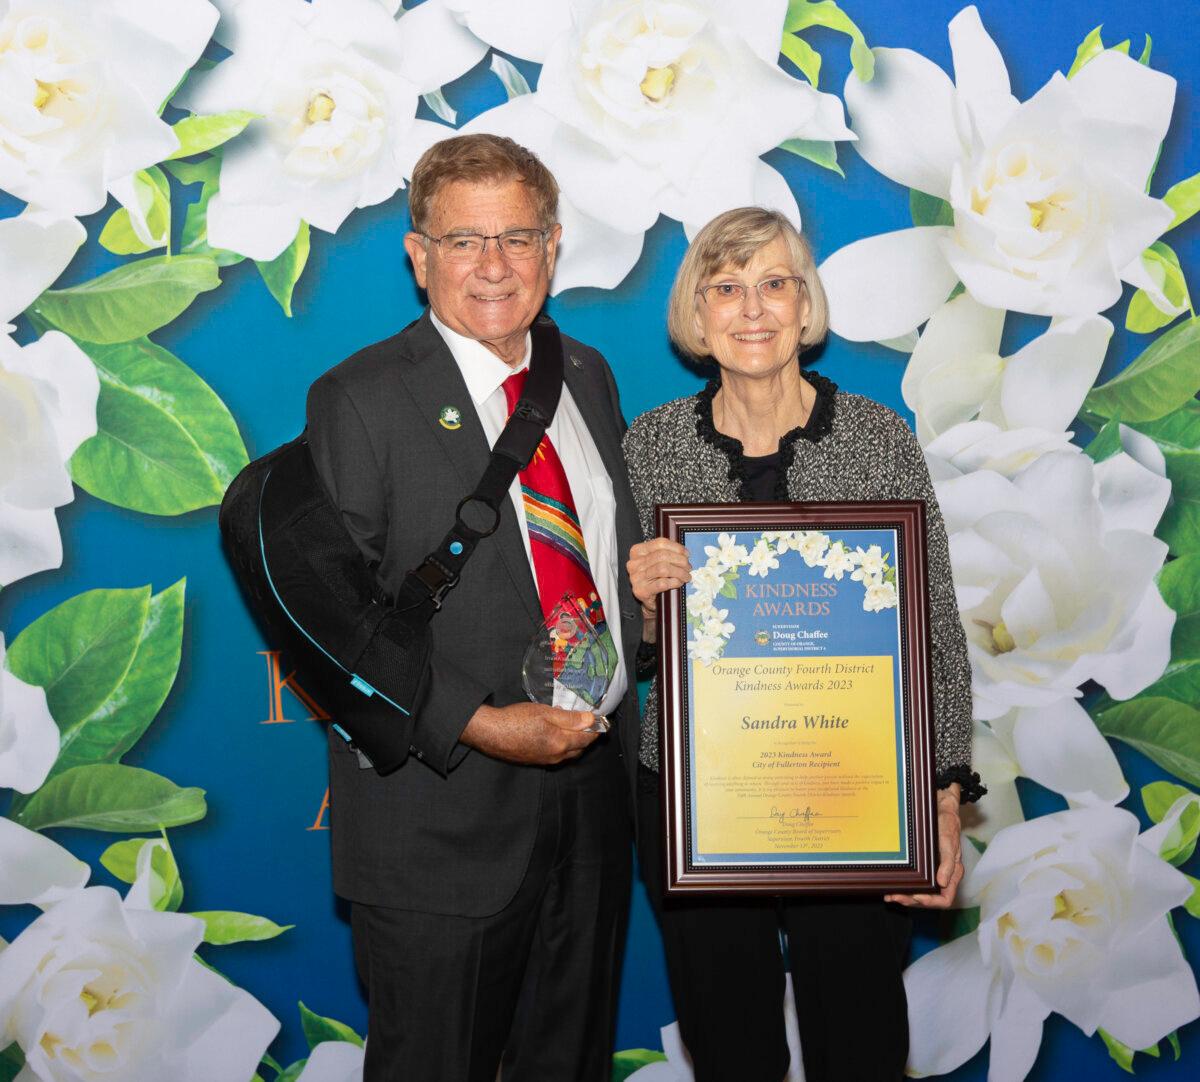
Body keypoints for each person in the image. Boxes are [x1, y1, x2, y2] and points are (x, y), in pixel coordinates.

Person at [304, 134, 645, 1081]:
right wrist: (482, 724)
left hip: (593, 805)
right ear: (420, 257)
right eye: (463, 241)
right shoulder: (359, 398)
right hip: (441, 818)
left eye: (517, 238)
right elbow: (330, 623)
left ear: (553, 246)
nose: (494, 266)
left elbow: (591, 561)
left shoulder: (586, 374)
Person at [623, 206, 984, 1082]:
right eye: (727, 287)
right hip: (701, 796)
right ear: (697, 314)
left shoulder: (877, 437)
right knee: (728, 1046)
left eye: (775, 284)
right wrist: (644, 609)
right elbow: (623, 648)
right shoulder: (649, 446)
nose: (753, 309)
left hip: (856, 790)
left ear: (806, 303)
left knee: (860, 1041)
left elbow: (933, 627)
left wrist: (941, 795)